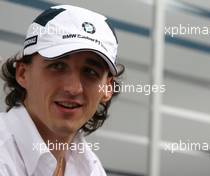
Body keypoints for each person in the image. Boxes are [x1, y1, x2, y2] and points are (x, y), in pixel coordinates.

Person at [0, 4, 124, 176]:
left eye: (90, 72)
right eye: (58, 66)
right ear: (22, 73)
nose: (74, 89)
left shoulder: (90, 167)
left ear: (107, 88)